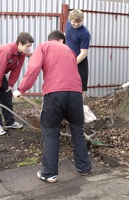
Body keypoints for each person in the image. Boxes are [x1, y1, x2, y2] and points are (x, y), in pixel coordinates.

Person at [13, 30, 92, 183]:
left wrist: (21, 89)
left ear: (50, 39)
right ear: (61, 40)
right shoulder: (69, 50)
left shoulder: (43, 47)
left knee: (50, 131)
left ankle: (49, 174)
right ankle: (84, 168)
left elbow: (34, 68)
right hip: (75, 94)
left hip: (55, 93)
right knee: (77, 130)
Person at [0, 32, 34, 136]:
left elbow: (16, 70)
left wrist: (10, 84)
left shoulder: (21, 54)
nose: (29, 49)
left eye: (30, 47)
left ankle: (10, 122)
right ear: (20, 44)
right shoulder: (7, 51)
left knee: (7, 95)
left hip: (0, 73)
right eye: (27, 46)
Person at [65, 9, 91, 99]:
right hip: (68, 59)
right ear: (70, 19)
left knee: (80, 87)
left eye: (79, 22)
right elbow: (67, 36)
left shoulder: (85, 33)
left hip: (80, 61)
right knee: (66, 84)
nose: (76, 24)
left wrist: (72, 63)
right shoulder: (67, 24)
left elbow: (83, 53)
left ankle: (80, 108)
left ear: (82, 20)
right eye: (74, 22)